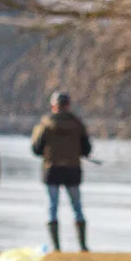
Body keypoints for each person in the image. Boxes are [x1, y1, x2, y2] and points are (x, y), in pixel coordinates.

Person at [29, 91, 92, 252]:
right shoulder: (77, 123)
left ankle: (56, 247)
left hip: (52, 170)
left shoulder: (46, 123)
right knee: (77, 207)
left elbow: (36, 149)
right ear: (68, 105)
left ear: (54, 106)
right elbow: (86, 149)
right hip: (72, 169)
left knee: (52, 207)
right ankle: (83, 246)